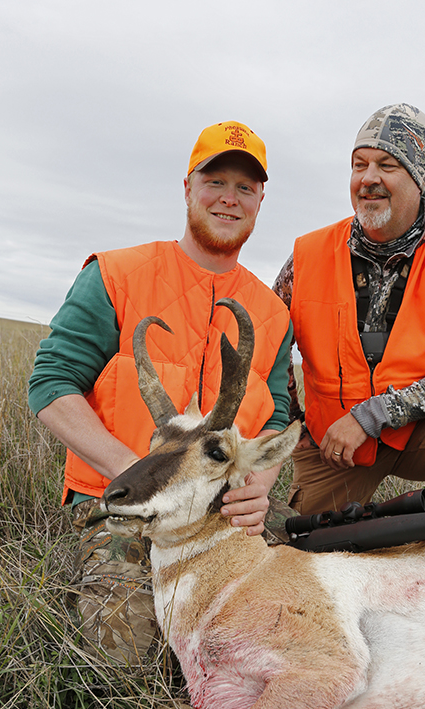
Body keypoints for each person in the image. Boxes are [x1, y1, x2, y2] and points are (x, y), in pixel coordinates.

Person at [29, 120, 293, 664]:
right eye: (215, 181)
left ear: (260, 201)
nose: (229, 198)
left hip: (218, 510)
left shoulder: (272, 313)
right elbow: (51, 385)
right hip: (120, 501)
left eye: (245, 187)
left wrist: (257, 489)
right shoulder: (116, 275)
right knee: (126, 656)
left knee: (279, 635)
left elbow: (278, 413)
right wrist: (135, 473)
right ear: (187, 187)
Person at [274, 103, 425, 556]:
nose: (368, 178)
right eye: (359, 164)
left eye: (387, 165)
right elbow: (268, 344)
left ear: (418, 177)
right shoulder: (310, 254)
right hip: (334, 446)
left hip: (420, 434)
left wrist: (373, 415)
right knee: (305, 556)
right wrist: (293, 426)